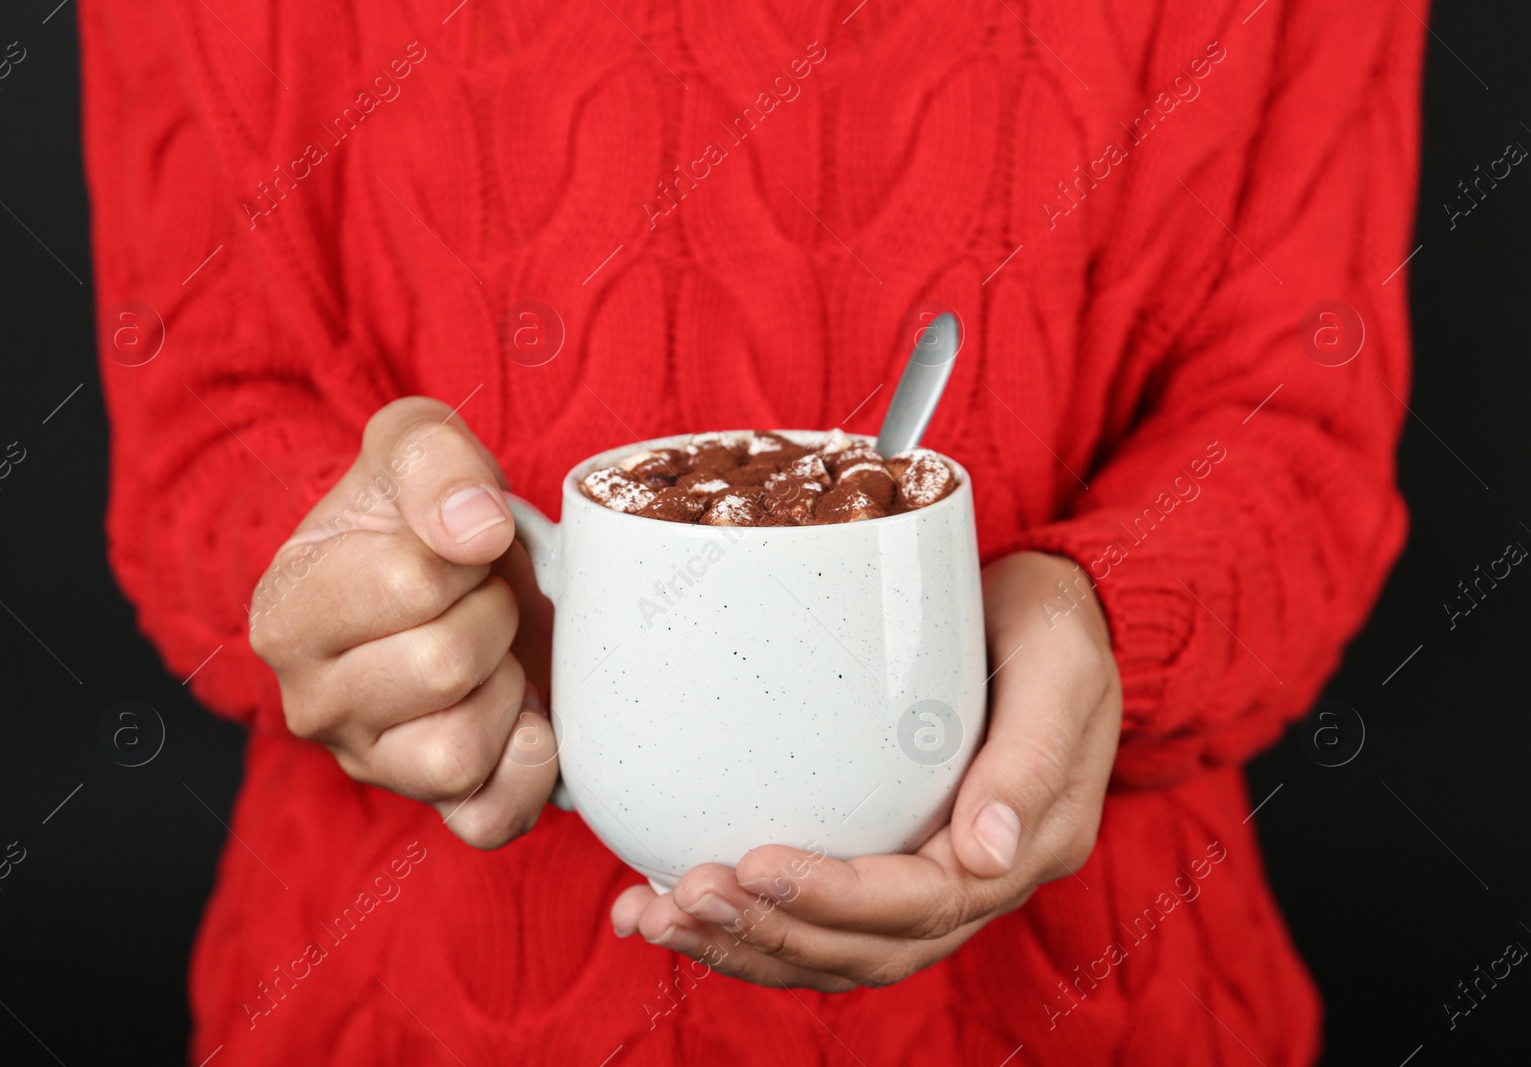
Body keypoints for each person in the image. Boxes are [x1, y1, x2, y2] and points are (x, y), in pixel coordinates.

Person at [81, 0, 1424, 1063]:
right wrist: (371, 601)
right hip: (403, 1008)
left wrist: (1098, 615)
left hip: (1095, 1006)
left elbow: (1298, 431)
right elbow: (204, 419)